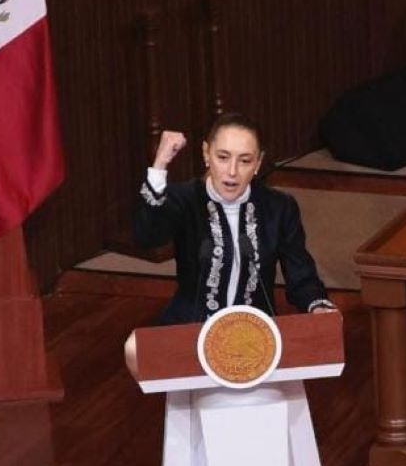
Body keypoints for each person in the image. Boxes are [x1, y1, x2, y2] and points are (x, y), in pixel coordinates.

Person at [134, 112, 335, 325]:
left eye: (245, 161)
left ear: (258, 163)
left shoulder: (278, 207)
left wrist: (318, 306)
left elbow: (301, 276)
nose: (232, 171)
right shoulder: (186, 199)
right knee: (133, 348)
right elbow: (147, 237)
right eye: (223, 157)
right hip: (191, 325)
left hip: (254, 330)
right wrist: (159, 166)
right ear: (206, 154)